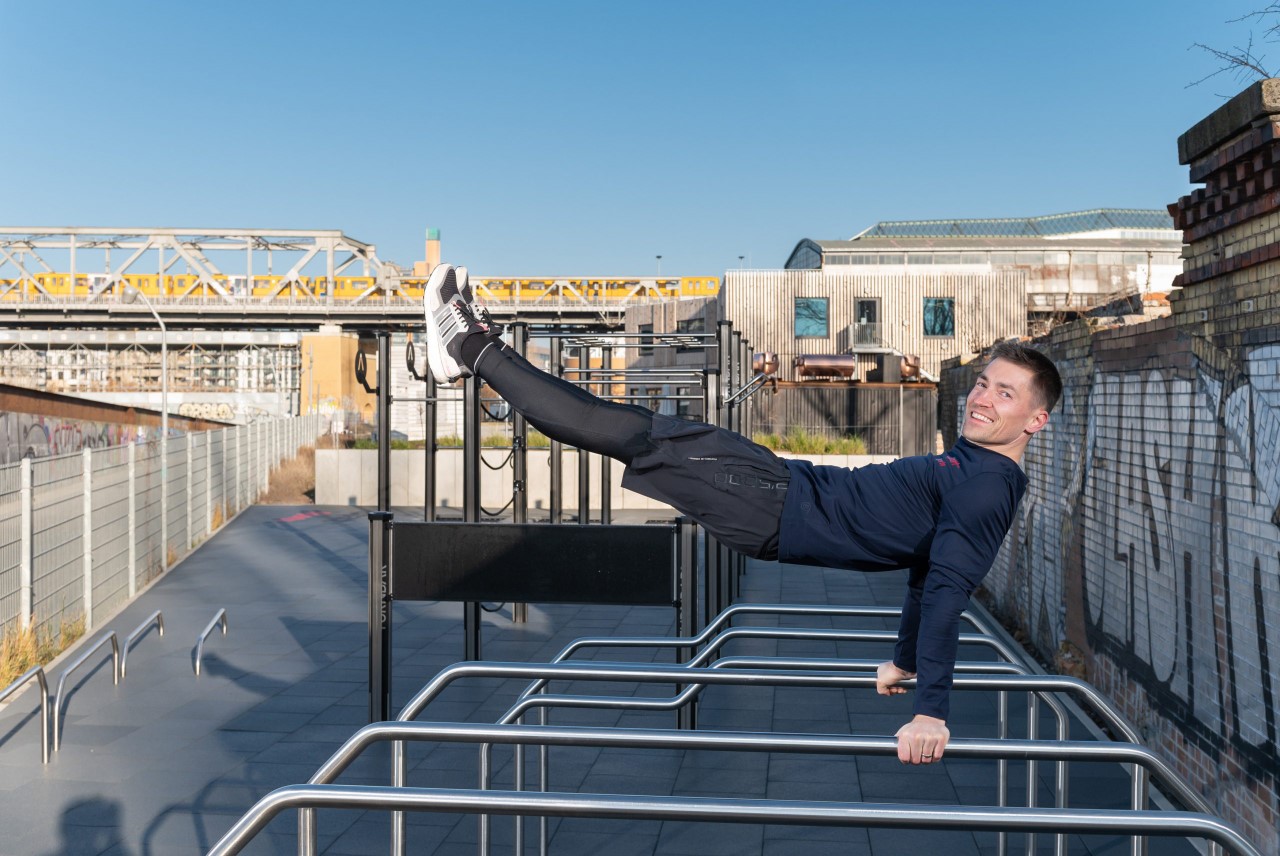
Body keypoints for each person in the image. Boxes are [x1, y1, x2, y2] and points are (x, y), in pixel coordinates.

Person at [422, 263, 1060, 766]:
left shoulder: (987, 486)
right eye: (982, 382)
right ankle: (475, 347)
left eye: (1004, 394)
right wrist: (906, 661)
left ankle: (469, 346)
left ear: (1036, 419)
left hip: (771, 503)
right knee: (627, 426)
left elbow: (949, 592)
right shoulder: (978, 469)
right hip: (777, 486)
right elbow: (926, 571)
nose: (981, 399)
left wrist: (931, 712)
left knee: (620, 429)